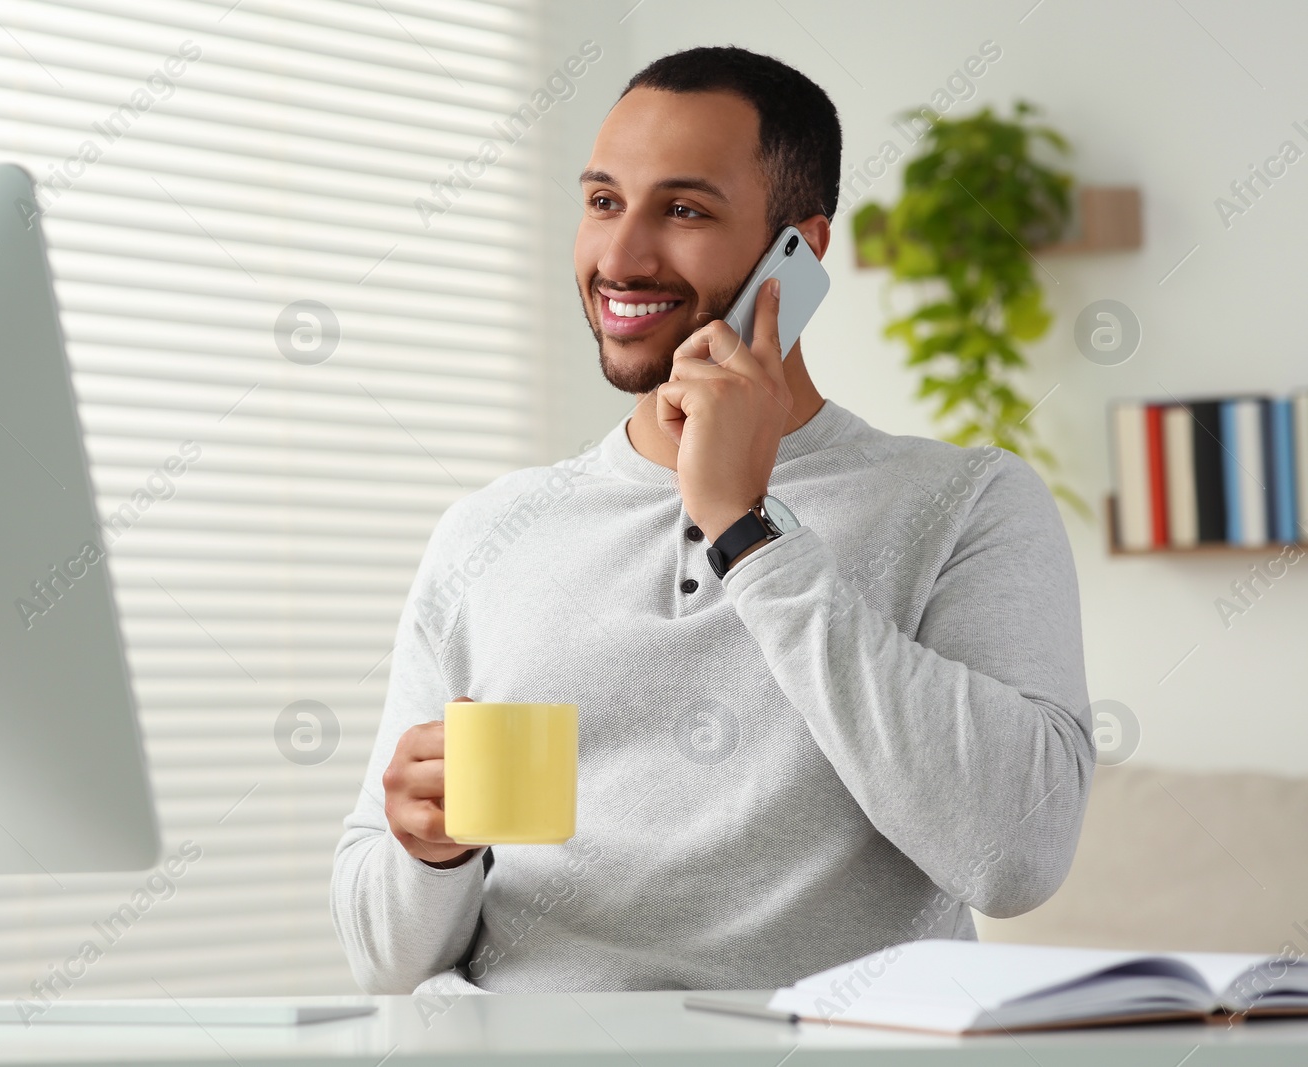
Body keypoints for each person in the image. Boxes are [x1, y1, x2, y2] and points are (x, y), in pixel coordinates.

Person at [331, 44, 1093, 996]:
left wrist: (744, 525)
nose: (621, 256)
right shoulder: (490, 531)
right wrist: (427, 856)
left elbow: (1016, 857)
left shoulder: (966, 504)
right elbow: (380, 957)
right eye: (604, 201)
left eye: (683, 210)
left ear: (800, 251)